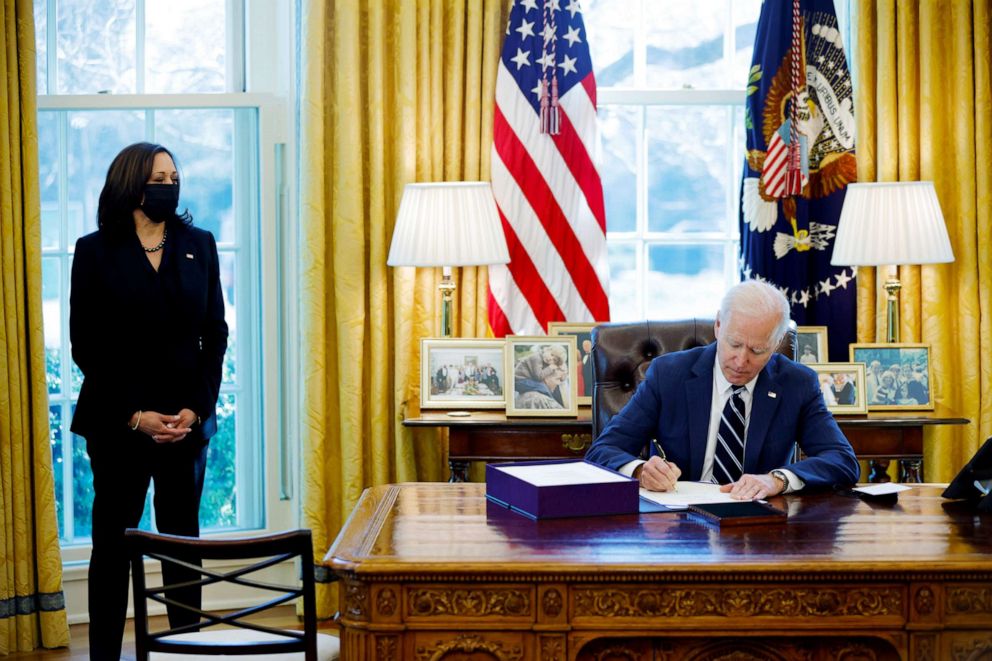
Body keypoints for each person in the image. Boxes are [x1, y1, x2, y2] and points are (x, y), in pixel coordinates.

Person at [70, 142, 228, 660]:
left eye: (174, 175)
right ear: (132, 183)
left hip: (184, 426)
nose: (170, 183)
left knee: (182, 546)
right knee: (112, 549)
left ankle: (186, 652)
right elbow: (85, 345)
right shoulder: (93, 251)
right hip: (119, 426)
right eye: (160, 175)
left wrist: (196, 410)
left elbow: (215, 335)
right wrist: (134, 415)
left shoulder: (199, 244)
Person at [585, 280, 859, 500]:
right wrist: (641, 470)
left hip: (761, 526)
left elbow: (842, 460)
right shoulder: (669, 375)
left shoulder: (797, 384)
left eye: (757, 350)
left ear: (776, 344)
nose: (741, 361)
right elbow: (604, 449)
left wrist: (777, 479)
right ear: (718, 326)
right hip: (682, 524)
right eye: (734, 344)